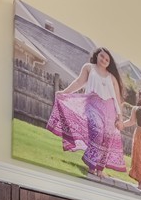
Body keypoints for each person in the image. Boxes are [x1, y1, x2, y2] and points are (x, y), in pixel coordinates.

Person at [47, 47, 127, 178]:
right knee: (97, 131)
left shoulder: (112, 77)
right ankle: (91, 165)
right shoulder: (89, 67)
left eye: (107, 59)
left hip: (109, 109)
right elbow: (78, 82)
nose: (104, 60)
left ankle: (100, 169)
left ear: (109, 62)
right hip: (92, 104)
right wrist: (64, 92)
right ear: (97, 55)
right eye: (102, 56)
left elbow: (117, 98)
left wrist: (120, 118)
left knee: (106, 139)